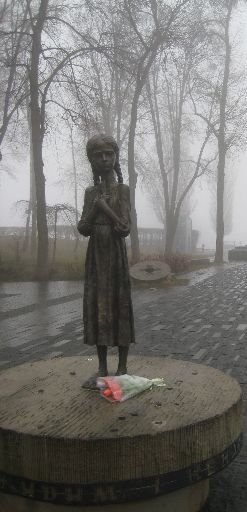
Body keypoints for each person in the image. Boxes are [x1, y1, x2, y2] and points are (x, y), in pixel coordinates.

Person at [78, 134, 135, 384]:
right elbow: (83, 228)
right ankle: (102, 366)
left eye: (109, 154)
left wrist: (109, 214)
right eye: (99, 155)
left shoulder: (122, 190)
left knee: (120, 304)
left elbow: (125, 228)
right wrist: (95, 208)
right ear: (92, 159)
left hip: (115, 252)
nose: (104, 159)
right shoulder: (90, 192)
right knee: (97, 305)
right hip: (96, 257)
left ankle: (122, 366)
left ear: (115, 157)